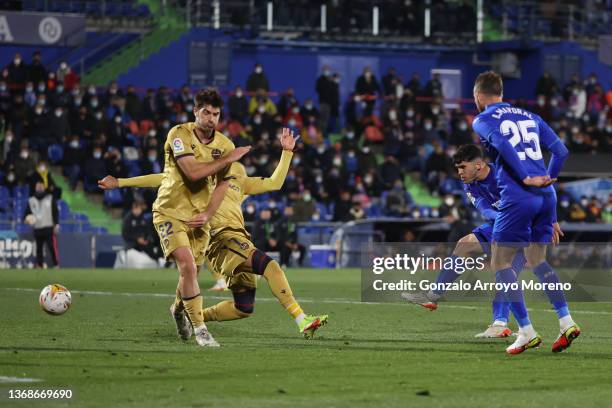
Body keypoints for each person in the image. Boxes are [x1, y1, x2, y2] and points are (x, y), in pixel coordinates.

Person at [99, 129, 328, 338]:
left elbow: (274, 183)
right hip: (220, 238)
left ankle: (193, 314)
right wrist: (120, 182)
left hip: (238, 239)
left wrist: (286, 152)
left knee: (243, 308)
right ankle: (302, 319)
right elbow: (160, 179)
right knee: (271, 266)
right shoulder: (201, 176)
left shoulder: (240, 180)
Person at [103, 88, 250, 347]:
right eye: (206, 112)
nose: (211, 118)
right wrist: (229, 159)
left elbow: (222, 186)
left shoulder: (225, 145)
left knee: (190, 273)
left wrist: (207, 214)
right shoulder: (179, 134)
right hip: (169, 211)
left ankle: (178, 309)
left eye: (216, 114)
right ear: (195, 111)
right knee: (187, 266)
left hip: (198, 219)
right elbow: (192, 172)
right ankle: (201, 330)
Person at [403, 145, 563, 338]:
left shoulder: (507, 172)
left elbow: (545, 189)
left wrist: (551, 219)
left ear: (478, 165)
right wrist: (502, 218)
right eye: (457, 168)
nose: (460, 172)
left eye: (463, 167)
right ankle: (434, 296)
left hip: (525, 228)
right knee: (465, 244)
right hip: (500, 224)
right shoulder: (470, 184)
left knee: (504, 274)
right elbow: (484, 208)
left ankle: (500, 323)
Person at [471, 71, 577, 355]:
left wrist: (527, 179)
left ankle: (527, 331)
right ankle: (566, 321)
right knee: (537, 260)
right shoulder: (530, 116)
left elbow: (504, 146)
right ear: (501, 92)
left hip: (519, 195)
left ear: (479, 96)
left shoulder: (482, 119)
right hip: (547, 196)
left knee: (500, 262)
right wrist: (546, 179)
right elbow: (561, 151)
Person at [24, 182, 60, 268]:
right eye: (38, 186)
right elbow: (26, 214)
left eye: (41, 186)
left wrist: (56, 224)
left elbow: (55, 212)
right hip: (37, 227)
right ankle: (40, 265)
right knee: (38, 249)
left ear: (44, 187)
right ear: (35, 188)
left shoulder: (50, 198)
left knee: (52, 247)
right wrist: (27, 219)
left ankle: (56, 264)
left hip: (48, 227)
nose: (39, 188)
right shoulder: (31, 200)